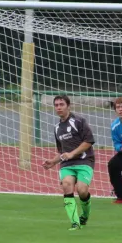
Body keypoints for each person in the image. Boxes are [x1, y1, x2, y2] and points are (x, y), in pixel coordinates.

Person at [42, 95, 94, 230]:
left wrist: (72, 154)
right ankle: (75, 223)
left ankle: (85, 215)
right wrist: (53, 162)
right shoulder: (57, 128)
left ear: (68, 106)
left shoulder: (79, 121)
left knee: (82, 191)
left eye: (61, 104)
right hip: (67, 165)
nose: (58, 107)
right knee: (66, 185)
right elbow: (62, 151)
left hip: (84, 161)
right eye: (56, 105)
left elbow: (88, 142)